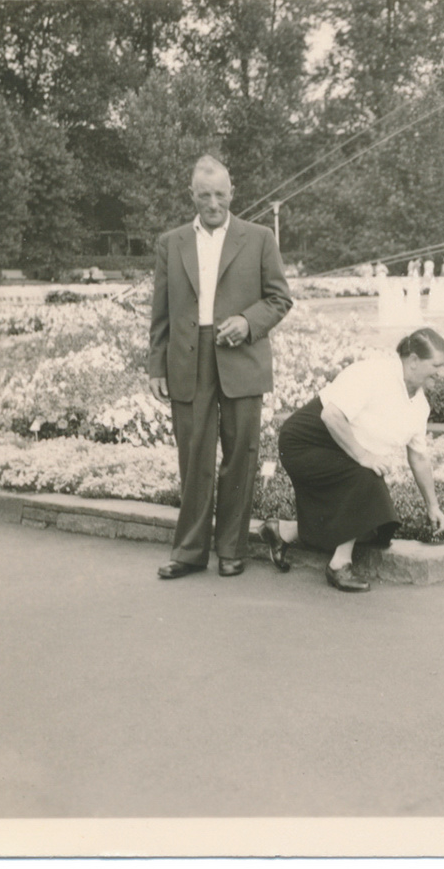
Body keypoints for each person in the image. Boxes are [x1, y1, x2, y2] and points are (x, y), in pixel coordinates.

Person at [149, 155, 293, 579]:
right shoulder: (171, 242)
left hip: (241, 358)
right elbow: (161, 314)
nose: (213, 203)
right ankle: (189, 551)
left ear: (232, 194)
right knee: (194, 456)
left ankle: (232, 549)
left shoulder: (260, 238)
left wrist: (248, 322)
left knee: (240, 456)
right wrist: (157, 367)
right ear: (191, 195)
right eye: (204, 195)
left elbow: (279, 298)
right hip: (188, 361)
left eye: (220, 194)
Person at [261, 328, 444, 593]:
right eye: (437, 366)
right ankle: (339, 565)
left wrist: (433, 506)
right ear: (414, 360)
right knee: (366, 478)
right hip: (306, 443)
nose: (442, 373)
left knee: (379, 527)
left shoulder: (419, 405)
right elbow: (331, 416)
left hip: (341, 450)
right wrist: (363, 456)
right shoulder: (374, 373)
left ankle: (283, 531)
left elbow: (418, 457)